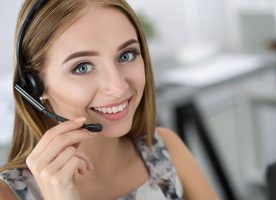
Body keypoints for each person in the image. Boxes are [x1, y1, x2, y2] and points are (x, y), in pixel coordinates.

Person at [0, 0, 220, 199]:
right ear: (33, 85)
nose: (118, 87)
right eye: (82, 67)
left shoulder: (165, 150)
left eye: (126, 55)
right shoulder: (8, 194)